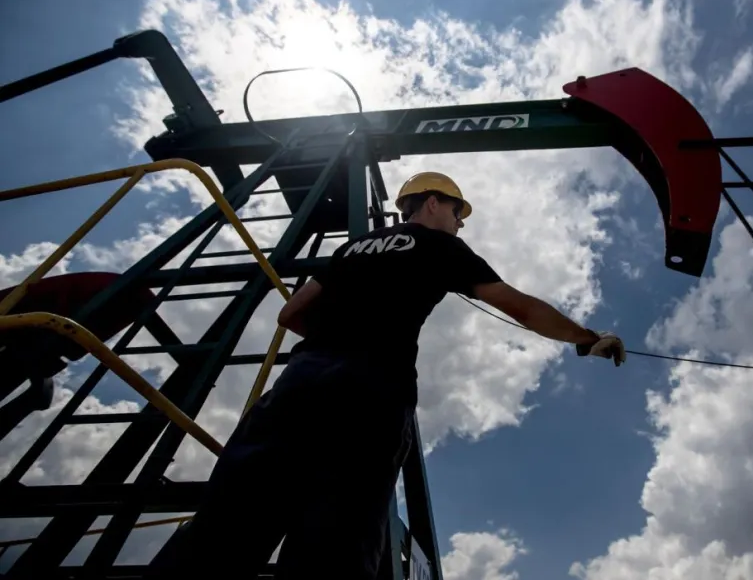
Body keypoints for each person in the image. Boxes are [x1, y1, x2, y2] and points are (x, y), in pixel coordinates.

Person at [145, 171, 625, 579]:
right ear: (434, 204)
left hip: (300, 382)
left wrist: (337, 335)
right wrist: (585, 337)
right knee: (336, 539)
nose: (459, 224)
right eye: (458, 213)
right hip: (371, 389)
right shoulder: (440, 247)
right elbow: (518, 306)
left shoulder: (353, 248)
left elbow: (290, 315)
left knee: (227, 524)